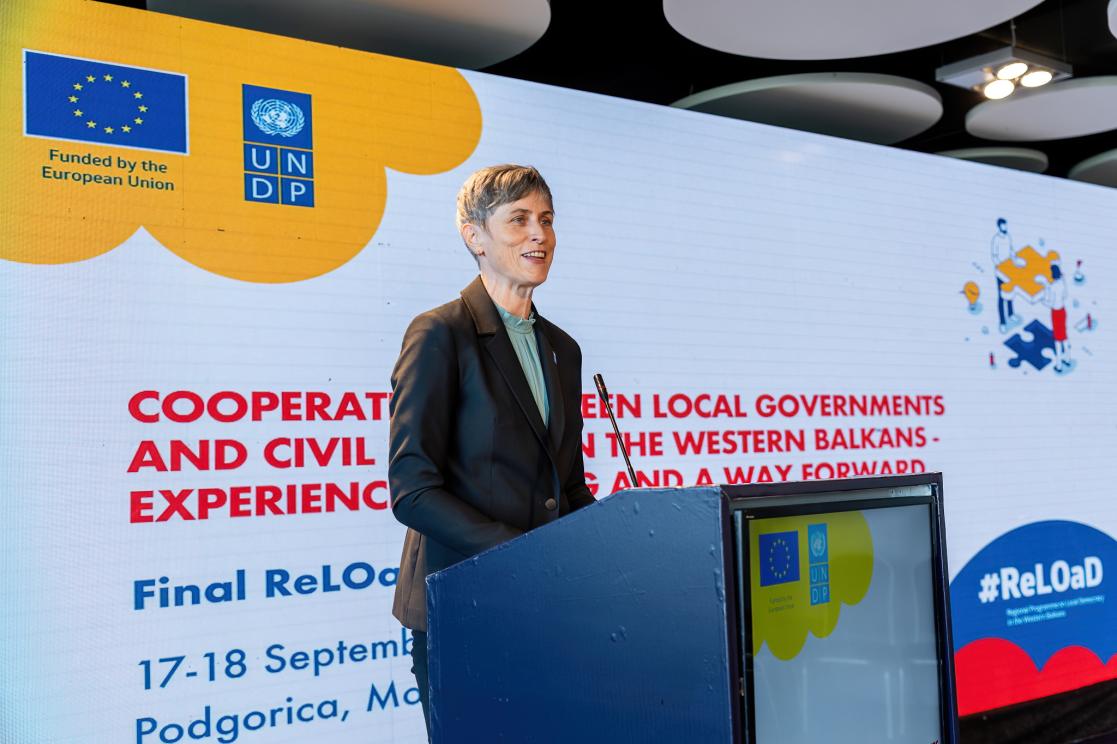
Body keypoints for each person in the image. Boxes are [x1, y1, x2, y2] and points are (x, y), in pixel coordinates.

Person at [387, 164, 596, 736]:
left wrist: (614, 543)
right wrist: (521, 555)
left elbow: (568, 484)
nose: (539, 234)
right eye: (519, 219)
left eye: (547, 219)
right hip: (462, 604)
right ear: (474, 236)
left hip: (548, 607)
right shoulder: (439, 333)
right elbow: (413, 490)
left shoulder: (564, 348)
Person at [991, 218, 1021, 333]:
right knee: (1001, 296)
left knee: (1010, 293)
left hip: (1010, 270)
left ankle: (1011, 314)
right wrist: (1001, 266)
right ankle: (1002, 322)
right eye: (1003, 225)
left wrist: (1015, 259)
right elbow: (994, 256)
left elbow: (1011, 250)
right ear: (999, 226)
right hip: (1000, 272)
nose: (1005, 227)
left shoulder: (1008, 237)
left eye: (1006, 225)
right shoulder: (996, 239)